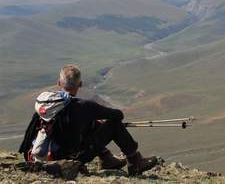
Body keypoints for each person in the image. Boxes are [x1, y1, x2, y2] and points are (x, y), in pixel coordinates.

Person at [19, 64, 157, 176]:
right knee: (113, 125)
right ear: (81, 84)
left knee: (92, 124)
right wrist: (96, 115)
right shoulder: (84, 106)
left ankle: (107, 158)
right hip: (72, 158)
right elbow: (118, 115)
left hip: (45, 155)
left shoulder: (47, 104)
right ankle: (135, 162)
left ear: (59, 83)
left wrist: (92, 120)